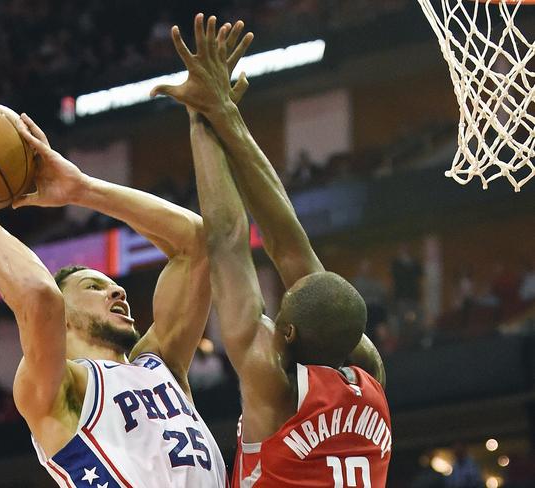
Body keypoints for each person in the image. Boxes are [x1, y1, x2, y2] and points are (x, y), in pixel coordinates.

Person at [0, 100, 248, 486]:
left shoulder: (161, 364)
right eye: (94, 287)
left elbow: (196, 243)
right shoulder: (58, 387)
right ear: (63, 317)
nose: (118, 292)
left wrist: (83, 189)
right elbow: (39, 295)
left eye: (114, 286)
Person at [153, 14, 391, 486]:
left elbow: (231, 240)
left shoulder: (272, 378)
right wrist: (220, 114)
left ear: (284, 334)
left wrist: (206, 118)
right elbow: (279, 245)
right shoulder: (368, 371)